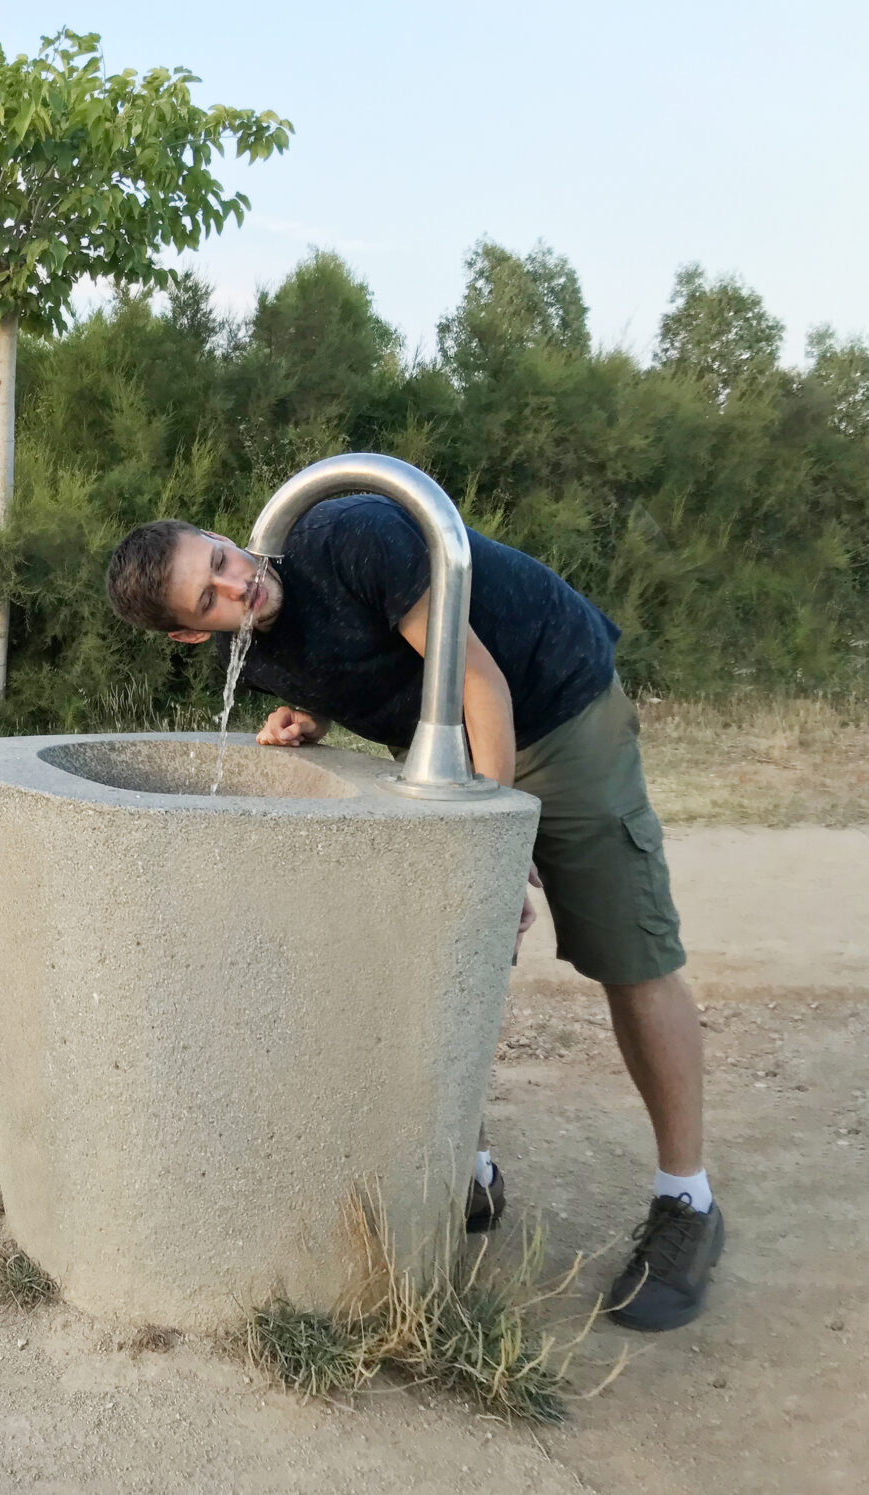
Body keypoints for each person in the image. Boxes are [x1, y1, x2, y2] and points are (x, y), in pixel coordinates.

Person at [104, 496, 723, 1332]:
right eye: (207, 598)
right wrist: (312, 714)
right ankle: (467, 1170)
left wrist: (495, 864)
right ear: (189, 634)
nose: (235, 585)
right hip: (454, 743)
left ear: (219, 537)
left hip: (554, 703)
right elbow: (352, 661)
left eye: (220, 559)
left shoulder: (350, 538)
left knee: (627, 949)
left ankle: (688, 1202)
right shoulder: (250, 656)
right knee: (436, 954)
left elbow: (482, 682)